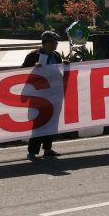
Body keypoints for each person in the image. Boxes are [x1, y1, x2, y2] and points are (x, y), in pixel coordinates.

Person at [21, 31, 64, 160]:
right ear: (47, 42)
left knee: (52, 121)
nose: (56, 44)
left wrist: (65, 65)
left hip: (53, 93)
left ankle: (47, 149)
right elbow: (22, 72)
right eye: (54, 41)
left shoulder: (56, 55)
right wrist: (33, 68)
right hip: (38, 95)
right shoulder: (33, 55)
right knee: (39, 123)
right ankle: (32, 152)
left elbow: (58, 71)